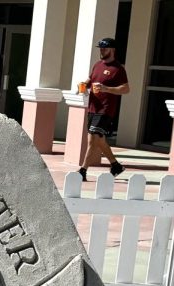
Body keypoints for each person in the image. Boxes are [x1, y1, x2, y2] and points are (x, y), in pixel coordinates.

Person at [77, 37, 130, 180]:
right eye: (100, 48)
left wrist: (106, 88)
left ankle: (82, 171)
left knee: (94, 139)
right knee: (97, 140)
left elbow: (125, 89)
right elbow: (91, 80)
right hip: (93, 108)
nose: (101, 51)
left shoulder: (118, 69)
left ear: (112, 50)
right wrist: (84, 85)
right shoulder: (97, 65)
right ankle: (116, 166)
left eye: (104, 49)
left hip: (105, 110)